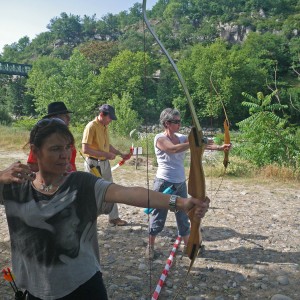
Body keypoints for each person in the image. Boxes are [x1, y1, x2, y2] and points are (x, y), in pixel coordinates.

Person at [0, 119, 210, 299]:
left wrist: (182, 203)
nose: (65, 155)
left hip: (83, 287)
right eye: (55, 149)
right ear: (35, 151)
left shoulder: (81, 183)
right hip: (36, 290)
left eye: (67, 147)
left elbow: (127, 193)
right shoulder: (15, 186)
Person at [146, 108, 231, 259]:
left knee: (184, 216)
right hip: (163, 183)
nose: (179, 124)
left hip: (179, 184)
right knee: (158, 216)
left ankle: (189, 246)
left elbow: (199, 145)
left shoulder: (181, 137)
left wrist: (219, 147)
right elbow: (172, 149)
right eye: (176, 122)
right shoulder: (159, 138)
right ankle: (150, 247)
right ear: (166, 123)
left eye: (180, 121)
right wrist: (193, 142)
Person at [82, 104, 129, 226]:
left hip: (104, 163)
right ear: (102, 114)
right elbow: (85, 149)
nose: (111, 121)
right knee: (92, 191)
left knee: (111, 189)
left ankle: (114, 217)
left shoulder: (104, 126)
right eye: (110, 118)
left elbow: (107, 146)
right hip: (93, 164)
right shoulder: (91, 126)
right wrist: (105, 154)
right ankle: (88, 219)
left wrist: (120, 154)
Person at [27, 101, 77, 172]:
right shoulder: (44, 138)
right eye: (65, 116)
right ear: (54, 118)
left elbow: (72, 163)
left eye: (67, 147)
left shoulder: (67, 137)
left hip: (70, 179)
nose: (69, 119)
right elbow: (32, 166)